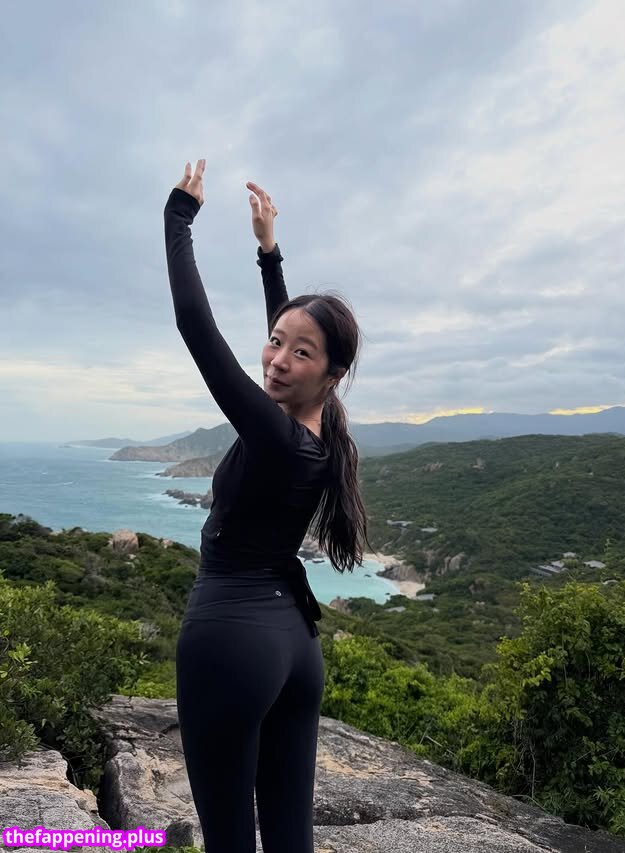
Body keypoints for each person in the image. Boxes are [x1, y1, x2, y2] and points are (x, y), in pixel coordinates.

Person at [166, 158, 372, 853]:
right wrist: (268, 252)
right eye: (275, 343)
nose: (278, 359)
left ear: (331, 375)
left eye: (300, 353)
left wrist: (178, 218)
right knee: (289, 838)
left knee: (229, 840)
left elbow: (196, 326)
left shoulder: (277, 437)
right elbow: (296, 339)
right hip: (293, 646)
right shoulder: (319, 427)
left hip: (231, 641)